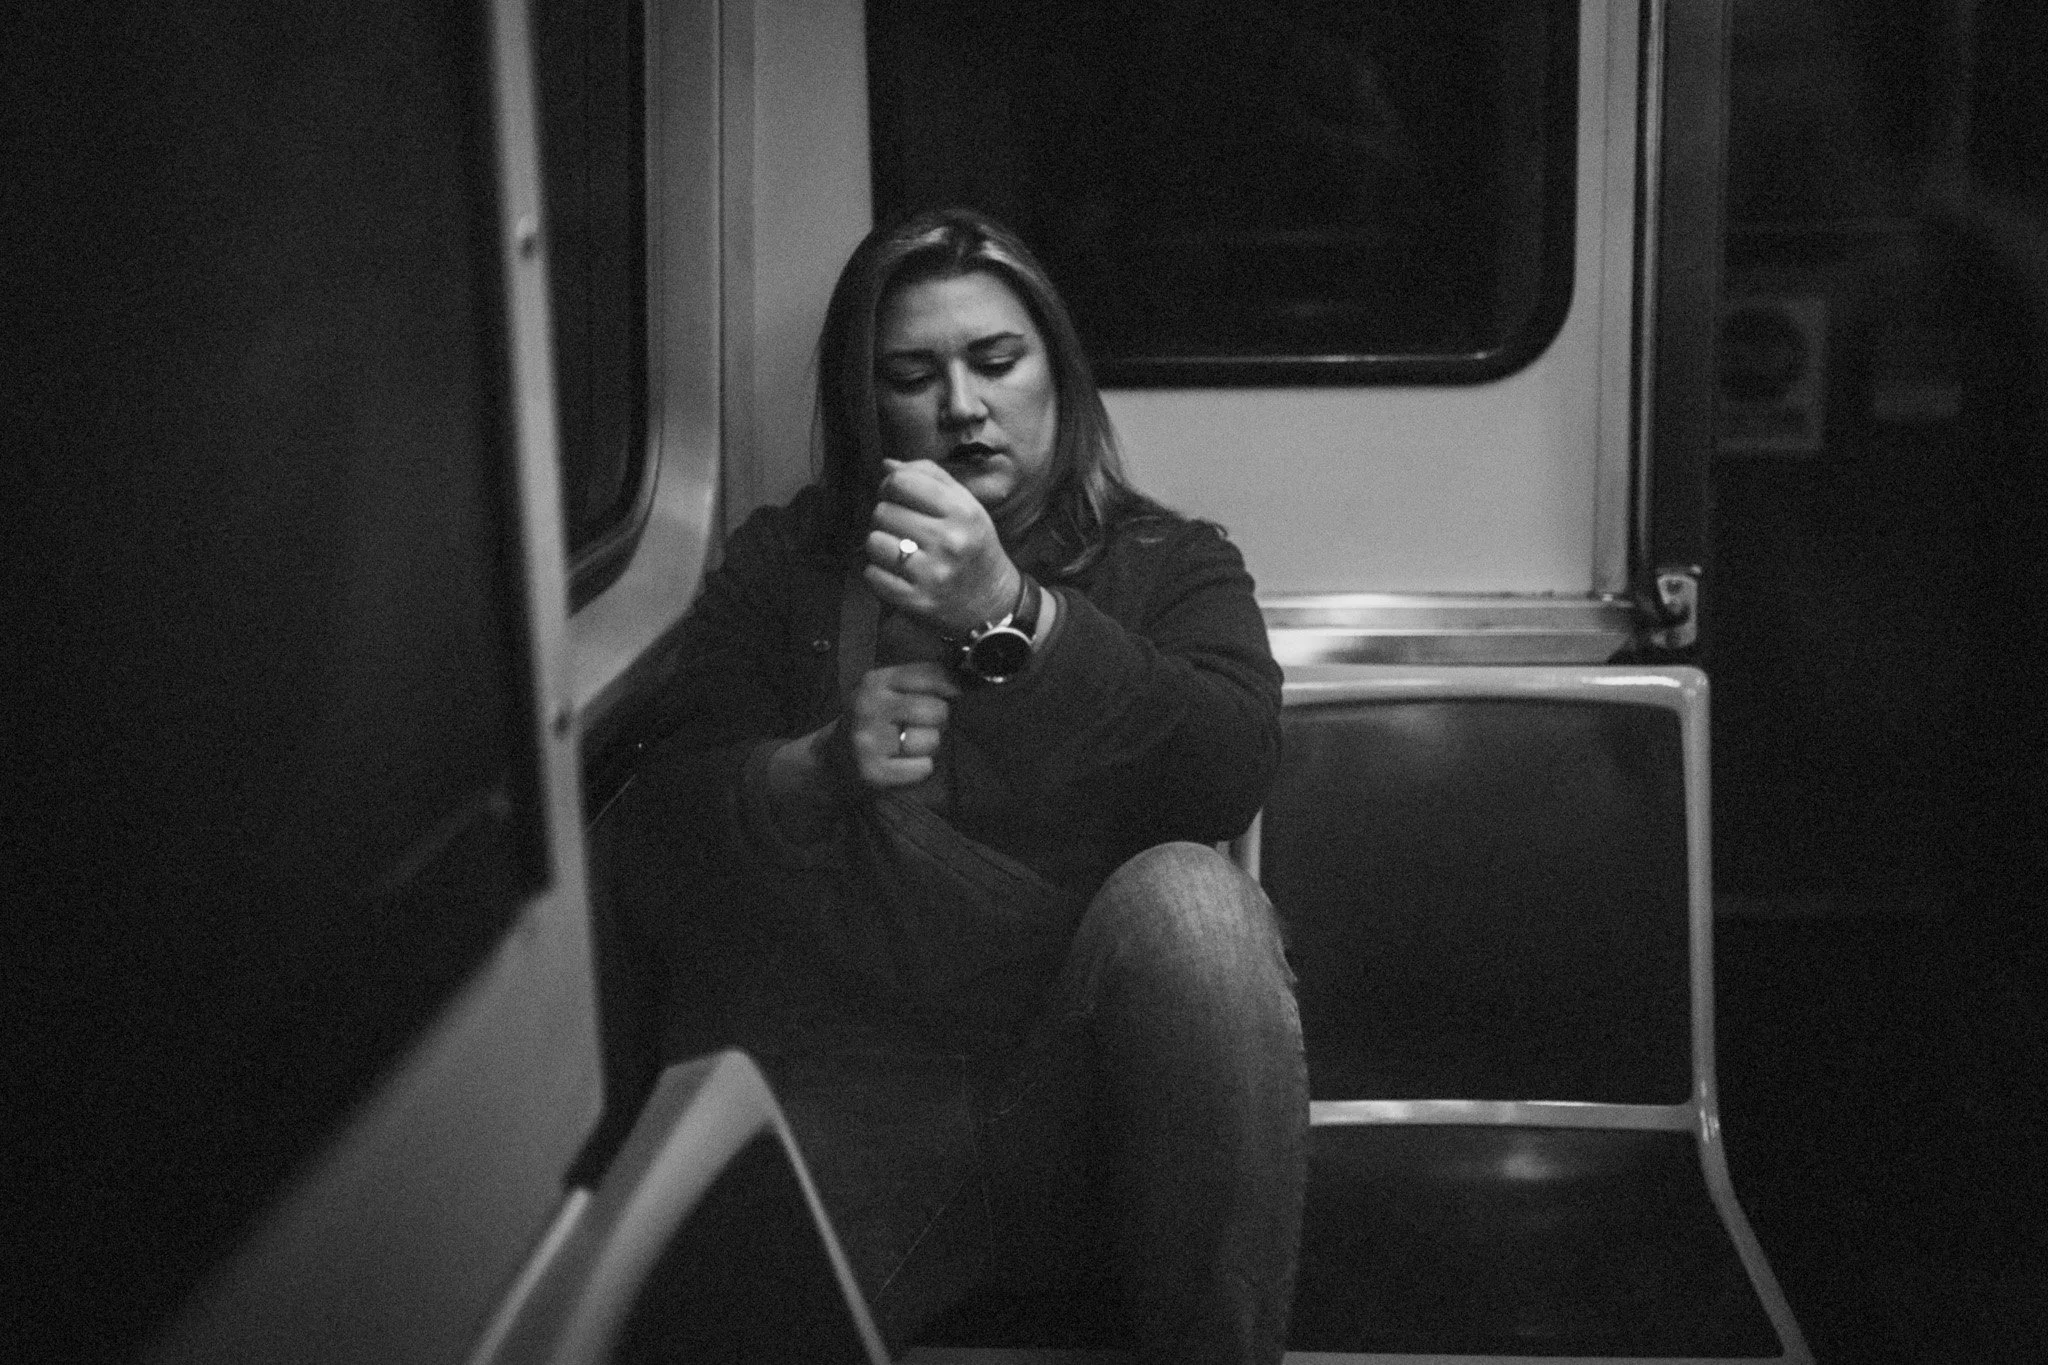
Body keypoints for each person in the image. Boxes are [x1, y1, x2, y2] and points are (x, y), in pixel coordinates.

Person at [612, 207, 1306, 1364]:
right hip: (861, 1085)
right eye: (912, 375)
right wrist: (815, 768)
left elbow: (1222, 772)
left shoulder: (1168, 563)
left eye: (995, 362)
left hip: (1088, 1097)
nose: (962, 407)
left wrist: (1013, 615)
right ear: (863, 400)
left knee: (1192, 901)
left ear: (1056, 378)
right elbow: (664, 825)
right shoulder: (789, 565)